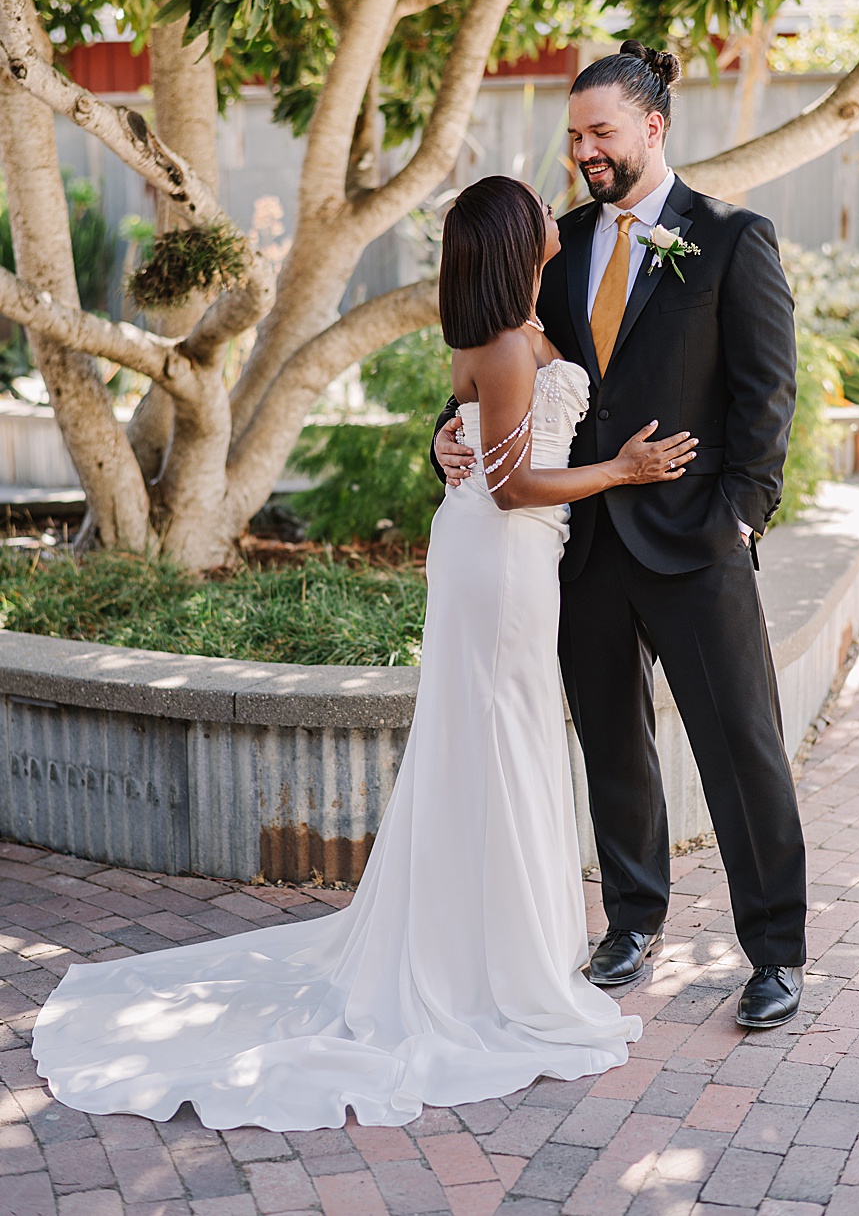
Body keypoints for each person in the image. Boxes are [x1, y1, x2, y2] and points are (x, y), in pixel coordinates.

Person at [28, 175, 694, 1130]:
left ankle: (486, 948)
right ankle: (497, 971)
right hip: (502, 559)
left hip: (496, 558)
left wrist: (454, 447)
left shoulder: (492, 336)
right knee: (499, 748)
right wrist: (623, 468)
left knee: (487, 748)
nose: (555, 216)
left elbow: (471, 441)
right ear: (517, 242)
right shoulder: (507, 344)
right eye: (539, 213)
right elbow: (511, 487)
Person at [433, 42, 808, 1029]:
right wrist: (449, 429)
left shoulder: (732, 240)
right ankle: (632, 923)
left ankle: (775, 949)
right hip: (579, 549)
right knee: (612, 745)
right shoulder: (554, 243)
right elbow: (498, 355)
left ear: (653, 126)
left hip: (698, 544)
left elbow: (766, 396)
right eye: (574, 138)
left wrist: (740, 515)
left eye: (602, 133)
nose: (586, 152)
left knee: (743, 748)